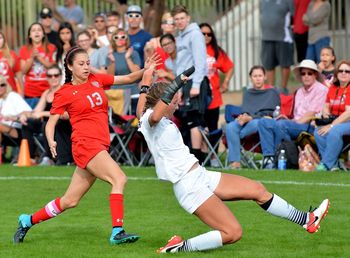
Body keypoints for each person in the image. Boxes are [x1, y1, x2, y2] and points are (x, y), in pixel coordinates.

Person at [136, 66, 330, 253]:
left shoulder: (148, 116)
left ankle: (307, 220)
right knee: (233, 233)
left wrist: (146, 79)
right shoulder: (152, 120)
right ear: (164, 100)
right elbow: (154, 114)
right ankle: (178, 248)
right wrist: (176, 83)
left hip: (200, 175)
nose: (178, 105)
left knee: (257, 189)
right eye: (175, 101)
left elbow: (144, 103)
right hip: (189, 186)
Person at [13, 46, 158, 245]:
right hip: (85, 145)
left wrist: (146, 69)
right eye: (81, 64)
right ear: (70, 67)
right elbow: (51, 123)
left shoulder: (96, 80)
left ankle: (27, 220)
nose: (86, 67)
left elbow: (128, 78)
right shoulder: (64, 92)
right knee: (119, 178)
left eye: (88, 63)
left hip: (98, 145)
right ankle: (117, 231)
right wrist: (51, 140)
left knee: (70, 201)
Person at [258, 59, 328, 169]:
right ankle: (269, 159)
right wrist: (289, 121)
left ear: (315, 75)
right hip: (296, 124)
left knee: (282, 125)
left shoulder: (321, 90)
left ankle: (284, 159)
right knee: (264, 122)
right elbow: (296, 116)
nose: (306, 76)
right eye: (303, 73)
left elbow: (310, 115)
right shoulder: (299, 91)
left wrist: (289, 123)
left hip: (311, 126)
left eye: (309, 73)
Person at [171, 5, 208, 164]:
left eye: (181, 18)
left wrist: (197, 84)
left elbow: (200, 61)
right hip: (185, 81)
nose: (179, 21)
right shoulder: (181, 36)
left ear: (188, 18)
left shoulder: (195, 35)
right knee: (191, 119)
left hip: (194, 81)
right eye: (176, 19)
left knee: (195, 120)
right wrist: (178, 86)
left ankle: (197, 158)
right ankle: (201, 156)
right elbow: (181, 64)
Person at [226, 66, 279, 169]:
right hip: (246, 122)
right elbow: (245, 110)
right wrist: (243, 116)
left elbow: (269, 113)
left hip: (262, 121)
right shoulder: (248, 93)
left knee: (257, 123)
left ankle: (237, 135)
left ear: (265, 77)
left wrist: (250, 118)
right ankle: (235, 163)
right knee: (231, 126)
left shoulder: (272, 93)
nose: (258, 78)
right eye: (255, 76)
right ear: (251, 78)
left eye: (260, 76)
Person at [20, 65, 73, 166]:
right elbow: (36, 111)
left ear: (61, 76)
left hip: (63, 124)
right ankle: (30, 157)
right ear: (47, 78)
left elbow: (65, 114)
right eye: (50, 76)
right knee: (27, 123)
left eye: (56, 75)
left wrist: (43, 114)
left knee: (47, 124)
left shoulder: (65, 91)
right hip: (48, 123)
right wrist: (25, 114)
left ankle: (48, 157)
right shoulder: (46, 93)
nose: (53, 78)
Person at [199, 22, 234, 167]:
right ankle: (200, 156)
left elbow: (230, 66)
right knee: (198, 128)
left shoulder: (216, 51)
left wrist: (225, 82)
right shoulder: (193, 50)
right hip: (197, 97)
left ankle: (213, 156)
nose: (206, 36)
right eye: (203, 34)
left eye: (209, 34)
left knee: (212, 128)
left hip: (213, 97)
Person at [314, 60, 350, 171]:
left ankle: (326, 164)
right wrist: (325, 112)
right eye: (340, 70)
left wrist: (331, 125)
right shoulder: (333, 88)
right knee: (318, 132)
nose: (343, 73)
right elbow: (326, 105)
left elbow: (348, 113)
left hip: (347, 121)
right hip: (337, 121)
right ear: (336, 73)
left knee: (334, 131)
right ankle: (333, 164)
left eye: (347, 71)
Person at [19, 22, 56, 108]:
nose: (36, 32)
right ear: (29, 35)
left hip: (48, 91)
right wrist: (32, 58)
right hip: (30, 93)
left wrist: (39, 58)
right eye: (33, 30)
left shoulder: (51, 48)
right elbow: (23, 71)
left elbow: (53, 68)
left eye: (39, 30)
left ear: (43, 34)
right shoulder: (24, 49)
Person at [260, 0, 294, 94]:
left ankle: (283, 89)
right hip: (266, 37)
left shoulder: (288, 1)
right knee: (268, 65)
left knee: (285, 64)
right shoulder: (263, 1)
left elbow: (293, 16)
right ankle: (271, 89)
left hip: (283, 37)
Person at [106, 29, 141, 115]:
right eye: (116, 37)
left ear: (126, 39)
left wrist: (127, 58)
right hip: (116, 94)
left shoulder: (133, 53)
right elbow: (110, 77)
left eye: (123, 37)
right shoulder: (110, 56)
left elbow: (137, 73)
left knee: (134, 121)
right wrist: (112, 61)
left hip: (132, 91)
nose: (119, 39)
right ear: (113, 40)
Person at [0, 75, 32, 148]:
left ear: (6, 85)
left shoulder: (12, 96)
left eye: (2, 85)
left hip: (18, 129)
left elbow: (28, 113)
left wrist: (13, 117)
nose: (0, 88)